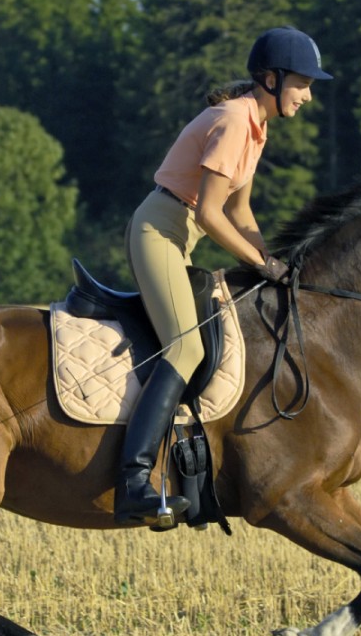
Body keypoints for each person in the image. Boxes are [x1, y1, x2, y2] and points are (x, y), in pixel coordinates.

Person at [114, 26, 333, 527]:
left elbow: (241, 210)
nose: (308, 94)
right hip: (159, 231)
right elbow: (211, 215)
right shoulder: (236, 121)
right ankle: (133, 480)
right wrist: (260, 264)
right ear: (272, 79)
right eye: (303, 83)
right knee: (186, 348)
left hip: (178, 234)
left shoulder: (256, 127)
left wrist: (275, 260)